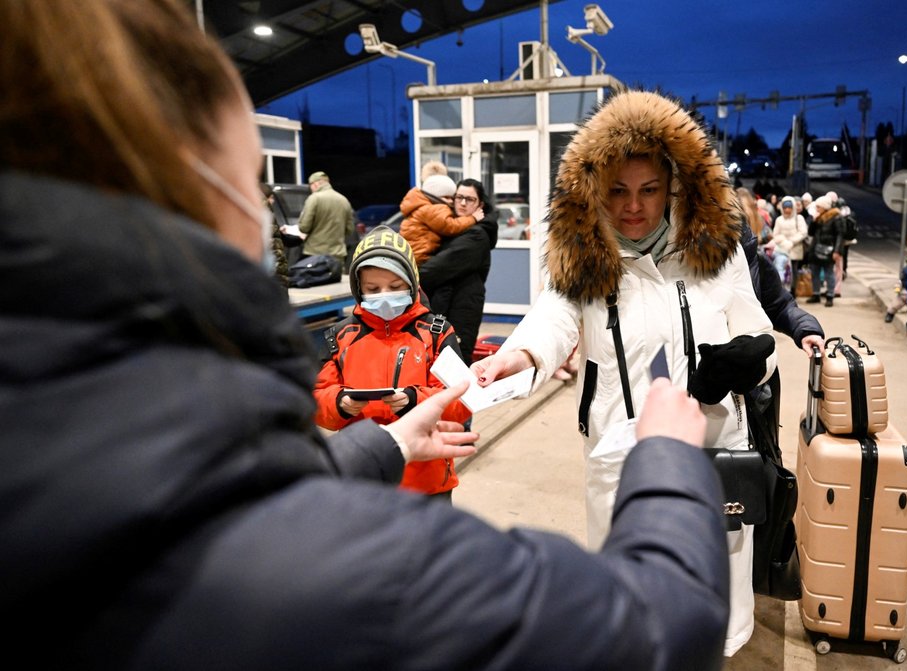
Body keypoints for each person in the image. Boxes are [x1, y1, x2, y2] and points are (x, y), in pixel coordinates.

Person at [1, 2, 734, 668]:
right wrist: (670, 457)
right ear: (189, 189)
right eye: (250, 180)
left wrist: (376, 445)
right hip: (639, 455)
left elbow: (200, 495)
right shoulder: (356, 571)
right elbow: (651, 626)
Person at [472, 89, 778, 657]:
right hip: (619, 452)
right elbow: (553, 318)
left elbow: (762, 341)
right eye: (617, 191)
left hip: (711, 447)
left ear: (675, 186)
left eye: (648, 190)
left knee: (708, 607)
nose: (633, 207)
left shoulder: (716, 251)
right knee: (631, 612)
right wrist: (520, 355)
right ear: (595, 192)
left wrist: (743, 363)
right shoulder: (585, 259)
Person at [314, 226, 471, 500]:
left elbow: (462, 401)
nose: (384, 295)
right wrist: (340, 403)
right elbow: (316, 400)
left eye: (395, 287)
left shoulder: (435, 333)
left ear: (412, 283)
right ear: (358, 289)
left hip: (427, 480)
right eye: (373, 289)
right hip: (363, 479)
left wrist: (415, 400)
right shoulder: (339, 337)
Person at [418, 178, 499, 364]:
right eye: (459, 197)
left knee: (456, 364)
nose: (462, 203)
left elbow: (434, 271)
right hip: (449, 306)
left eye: (469, 199)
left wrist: (407, 280)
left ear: (480, 205)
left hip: (462, 309)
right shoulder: (456, 229)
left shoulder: (476, 235)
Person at [399, 174, 484, 265]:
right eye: (446, 197)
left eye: (452, 198)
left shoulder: (421, 207)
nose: (451, 201)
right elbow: (451, 226)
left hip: (411, 255)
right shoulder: (432, 210)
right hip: (420, 257)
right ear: (433, 197)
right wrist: (473, 218)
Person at [298, 170, 355, 266]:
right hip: (337, 255)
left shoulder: (314, 199)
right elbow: (350, 230)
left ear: (315, 184)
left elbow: (304, 227)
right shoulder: (343, 200)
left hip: (315, 254)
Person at [805, 195, 843, 306]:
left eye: (818, 207)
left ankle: (830, 295)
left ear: (825, 207)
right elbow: (811, 233)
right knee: (815, 272)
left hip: (829, 250)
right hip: (815, 248)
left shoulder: (836, 217)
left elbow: (840, 235)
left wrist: (837, 251)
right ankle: (816, 294)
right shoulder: (818, 218)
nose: (816, 209)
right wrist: (814, 221)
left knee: (829, 273)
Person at [771, 196, 809, 295]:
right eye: (785, 208)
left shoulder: (799, 218)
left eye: (789, 207)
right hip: (782, 250)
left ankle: (793, 291)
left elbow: (803, 232)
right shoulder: (779, 219)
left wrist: (791, 242)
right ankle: (783, 290)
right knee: (781, 269)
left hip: (795, 249)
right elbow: (775, 234)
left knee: (794, 271)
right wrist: (784, 242)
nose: (787, 210)